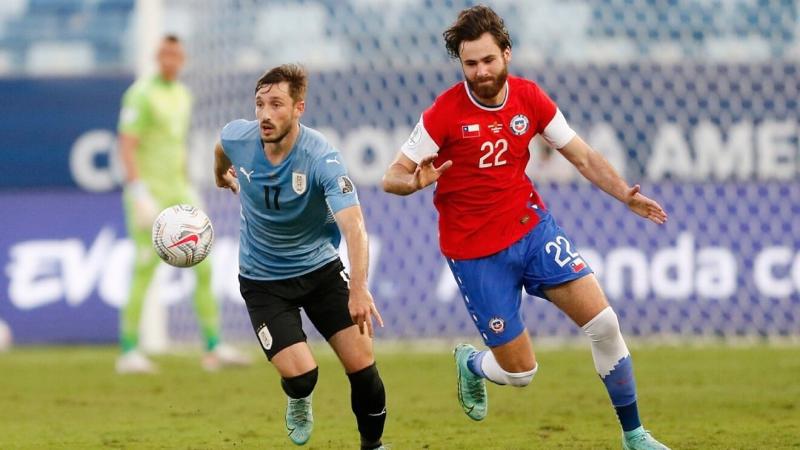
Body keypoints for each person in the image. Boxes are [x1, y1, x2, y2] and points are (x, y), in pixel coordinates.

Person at [382, 6, 670, 450]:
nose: (479, 72)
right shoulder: (443, 114)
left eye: (487, 60)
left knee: (605, 324)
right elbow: (391, 177)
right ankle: (472, 365)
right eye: (470, 63)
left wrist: (624, 195)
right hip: (475, 253)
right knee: (520, 374)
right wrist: (413, 181)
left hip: (532, 230)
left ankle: (634, 436)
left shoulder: (530, 98)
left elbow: (583, 155)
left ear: (507, 54)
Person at [213, 64, 387, 449]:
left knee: (363, 368)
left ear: (298, 108)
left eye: (276, 104)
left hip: (321, 271)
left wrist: (358, 288)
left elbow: (354, 226)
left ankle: (372, 446)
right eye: (259, 104)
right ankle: (298, 398)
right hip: (262, 281)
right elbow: (222, 146)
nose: (265, 114)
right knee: (303, 375)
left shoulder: (321, 158)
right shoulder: (240, 136)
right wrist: (219, 174)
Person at [116, 35, 251, 374]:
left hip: (179, 191)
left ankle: (212, 346)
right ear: (156, 56)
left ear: (183, 59)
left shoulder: (183, 95)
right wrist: (138, 191)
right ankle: (129, 351)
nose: (170, 60)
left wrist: (186, 182)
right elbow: (127, 145)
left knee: (204, 263)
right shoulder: (141, 94)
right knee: (145, 267)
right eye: (165, 54)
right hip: (149, 192)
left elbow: (176, 146)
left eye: (176, 55)